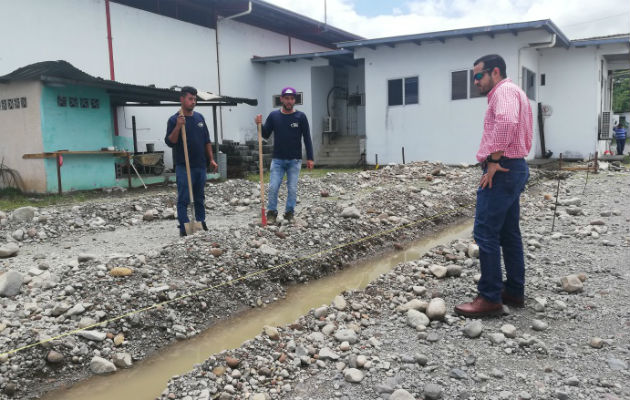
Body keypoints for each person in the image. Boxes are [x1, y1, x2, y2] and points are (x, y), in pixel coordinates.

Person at [454, 54, 532, 318]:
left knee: (485, 232)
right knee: (509, 232)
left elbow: (507, 123)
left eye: (478, 76)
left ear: (494, 72)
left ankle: (489, 298)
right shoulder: (514, 91)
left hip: (503, 168)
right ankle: (513, 291)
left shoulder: (504, 92)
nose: (475, 82)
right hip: (515, 166)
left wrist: (494, 160)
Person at [254, 87, 314, 224]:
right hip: (278, 160)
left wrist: (310, 158)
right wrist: (258, 124)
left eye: (292, 98)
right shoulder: (274, 116)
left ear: (294, 100)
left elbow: (307, 138)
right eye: (286, 98)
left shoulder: (301, 117)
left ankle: (289, 213)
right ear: (281, 99)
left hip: (295, 160)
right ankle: (271, 213)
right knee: (273, 186)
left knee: (292, 188)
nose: (289, 101)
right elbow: (265, 134)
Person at [165, 86, 218, 236]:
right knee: (184, 198)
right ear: (182, 99)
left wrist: (211, 159)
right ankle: (184, 226)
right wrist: (178, 126)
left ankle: (201, 222)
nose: (193, 102)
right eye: (190, 99)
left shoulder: (199, 118)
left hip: (200, 165)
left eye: (195, 99)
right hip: (184, 166)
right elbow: (170, 142)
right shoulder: (174, 119)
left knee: (200, 197)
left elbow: (207, 141)